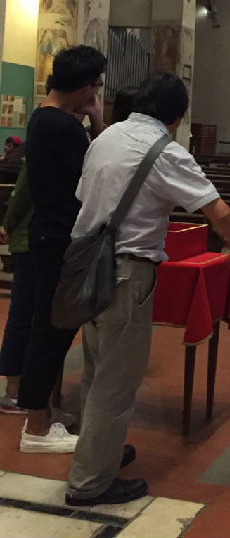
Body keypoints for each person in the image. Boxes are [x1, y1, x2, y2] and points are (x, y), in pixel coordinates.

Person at [65, 71, 230, 507]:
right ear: (176, 117)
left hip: (87, 266)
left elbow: (84, 196)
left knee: (96, 369)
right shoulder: (166, 151)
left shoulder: (104, 139)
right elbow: (218, 213)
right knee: (117, 381)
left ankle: (99, 453)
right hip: (127, 273)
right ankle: (90, 483)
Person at [18, 45, 107, 454]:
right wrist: (98, 122)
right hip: (59, 238)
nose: (96, 94)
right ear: (85, 87)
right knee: (51, 330)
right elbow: (97, 173)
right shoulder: (64, 127)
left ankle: (43, 412)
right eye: (95, 87)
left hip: (45, 233)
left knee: (48, 326)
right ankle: (36, 428)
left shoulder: (43, 116)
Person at [0, 159, 34, 413]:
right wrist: (8, 226)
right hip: (30, 241)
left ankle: (21, 388)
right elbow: (19, 198)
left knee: (24, 316)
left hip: (30, 239)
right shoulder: (38, 152)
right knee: (23, 316)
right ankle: (13, 391)